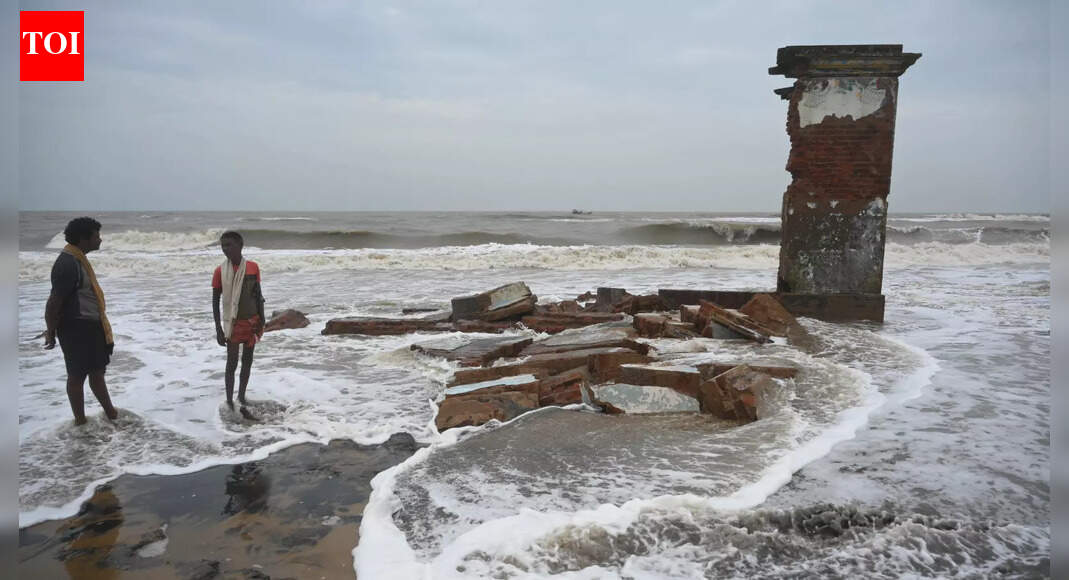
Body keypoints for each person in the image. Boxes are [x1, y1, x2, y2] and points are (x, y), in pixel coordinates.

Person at [44, 217, 120, 425]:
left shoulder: (78, 259)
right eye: (97, 236)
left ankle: (111, 413)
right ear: (83, 238)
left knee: (97, 371)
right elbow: (54, 302)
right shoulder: (67, 263)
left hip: (91, 325)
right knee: (77, 375)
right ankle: (80, 421)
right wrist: (50, 331)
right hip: (76, 328)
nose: (100, 240)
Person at [212, 231, 265, 418]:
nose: (226, 249)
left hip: (251, 322)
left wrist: (263, 319)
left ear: (240, 246)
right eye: (223, 245)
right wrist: (219, 329)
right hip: (232, 324)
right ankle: (229, 400)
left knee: (247, 362)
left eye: (229, 245)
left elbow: (258, 295)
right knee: (231, 363)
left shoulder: (252, 267)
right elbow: (215, 301)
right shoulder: (220, 271)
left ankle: (241, 396)